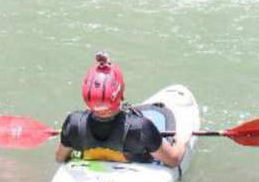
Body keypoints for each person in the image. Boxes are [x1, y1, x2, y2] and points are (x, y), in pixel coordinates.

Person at [56, 53, 187, 167]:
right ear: (121, 92)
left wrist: (69, 137)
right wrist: (182, 140)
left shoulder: (73, 123)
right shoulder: (141, 128)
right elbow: (174, 160)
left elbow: (59, 158)